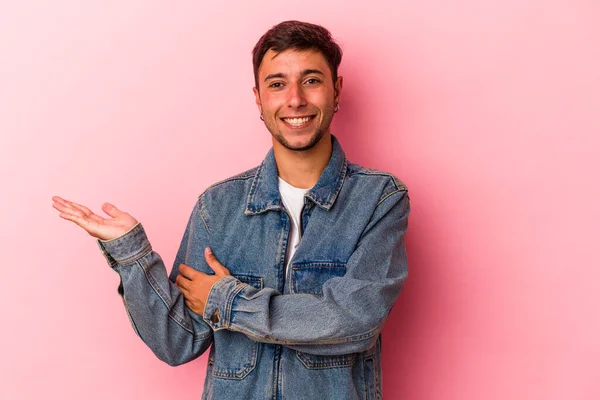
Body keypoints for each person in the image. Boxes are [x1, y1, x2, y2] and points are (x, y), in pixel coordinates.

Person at [52, 20, 410, 400]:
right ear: (258, 99)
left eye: (311, 80)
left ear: (336, 90)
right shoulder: (219, 206)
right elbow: (179, 341)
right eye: (277, 84)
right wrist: (131, 253)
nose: (294, 100)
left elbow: (354, 321)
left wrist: (227, 300)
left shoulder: (379, 199)